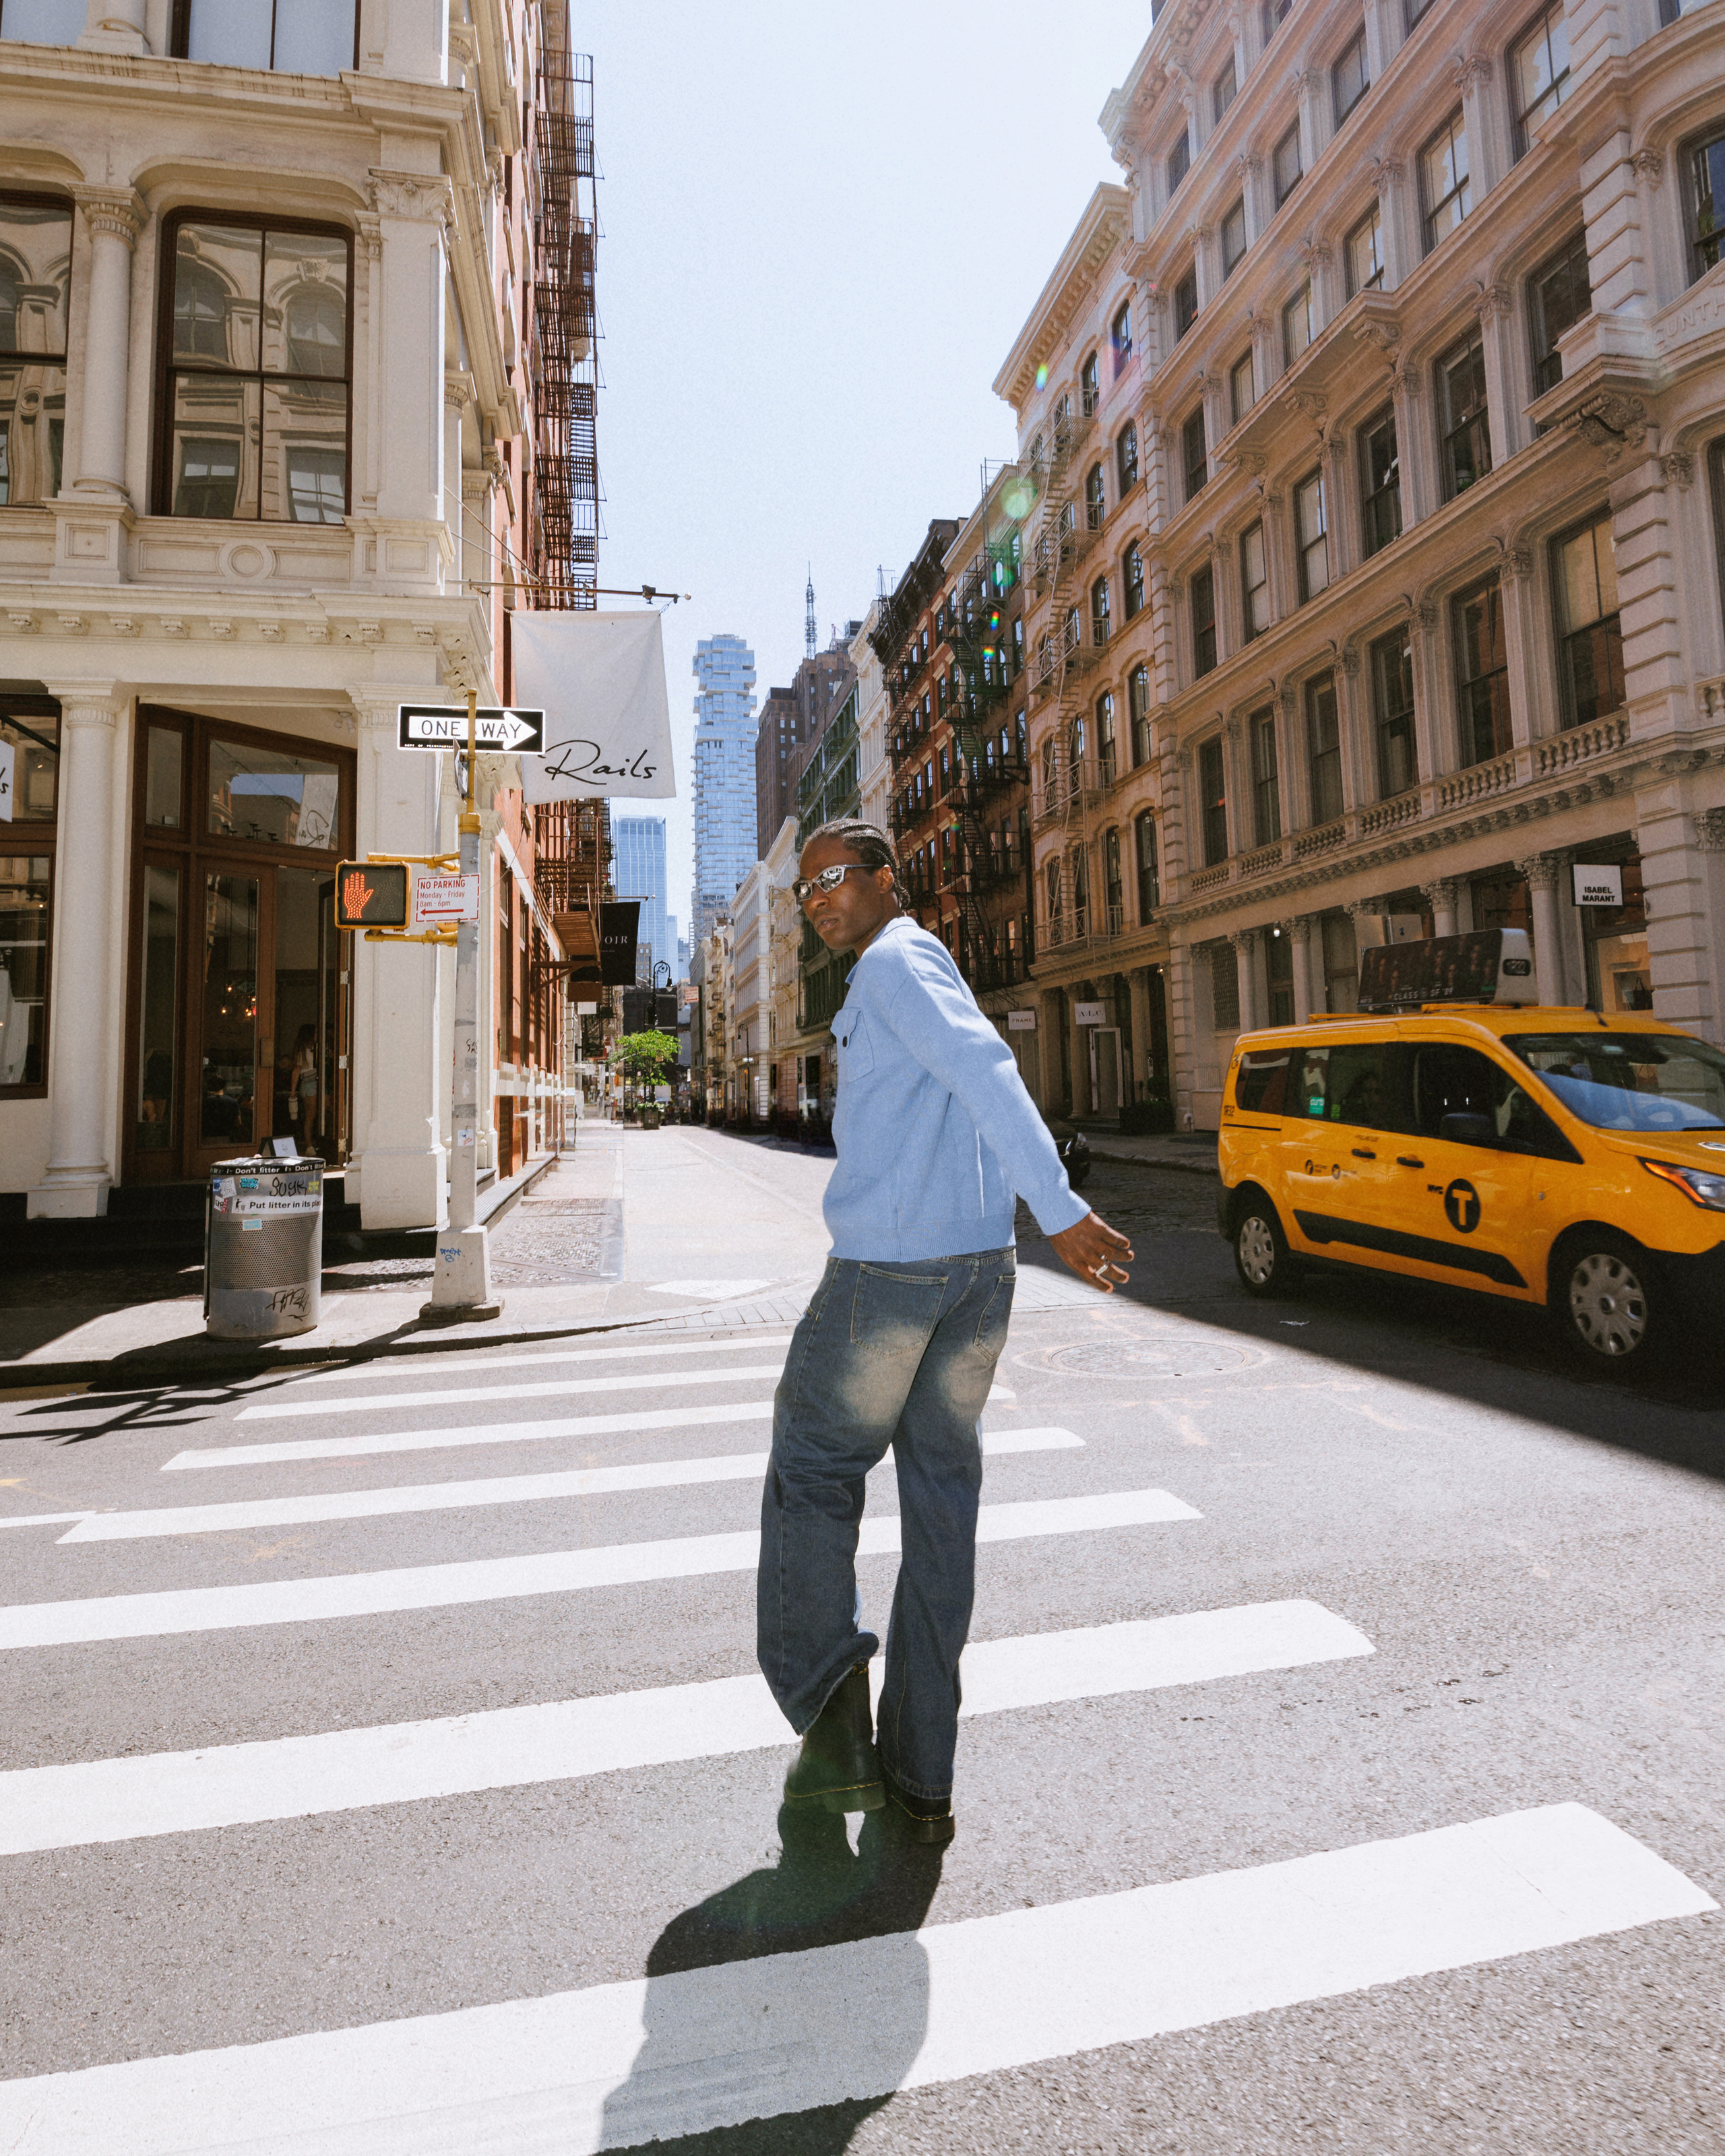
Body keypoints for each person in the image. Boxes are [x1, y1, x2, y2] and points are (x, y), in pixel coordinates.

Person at [758, 819, 1133, 1847]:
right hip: (974, 1276)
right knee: (939, 1511)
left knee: (810, 1475)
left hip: (890, 1276)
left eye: (834, 878)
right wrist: (1041, 1214)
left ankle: (836, 1734)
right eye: (804, 890)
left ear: (888, 878)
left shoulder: (895, 960)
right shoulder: (910, 965)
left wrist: (1059, 1207)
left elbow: (987, 1068)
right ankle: (922, 1777)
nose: (817, 900)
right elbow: (967, 1082)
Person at [290, 1025, 319, 1154]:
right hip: (308, 1083)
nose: (317, 1035)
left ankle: (313, 1143)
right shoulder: (302, 1051)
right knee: (310, 1115)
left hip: (316, 1083)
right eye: (316, 1033)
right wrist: (292, 1091)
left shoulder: (317, 1048)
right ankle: (309, 1146)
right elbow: (296, 1071)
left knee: (315, 1114)